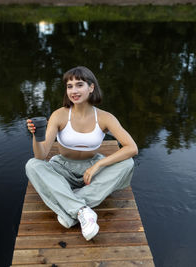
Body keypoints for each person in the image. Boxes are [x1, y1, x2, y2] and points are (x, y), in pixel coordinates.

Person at [25, 66, 138, 241]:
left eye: (79, 85)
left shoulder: (105, 117)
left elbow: (132, 148)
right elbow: (41, 156)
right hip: (63, 168)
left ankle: (69, 207)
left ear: (91, 87)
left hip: (92, 170)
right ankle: (81, 211)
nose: (74, 91)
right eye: (69, 86)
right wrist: (36, 136)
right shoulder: (59, 115)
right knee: (32, 165)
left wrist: (99, 165)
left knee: (128, 163)